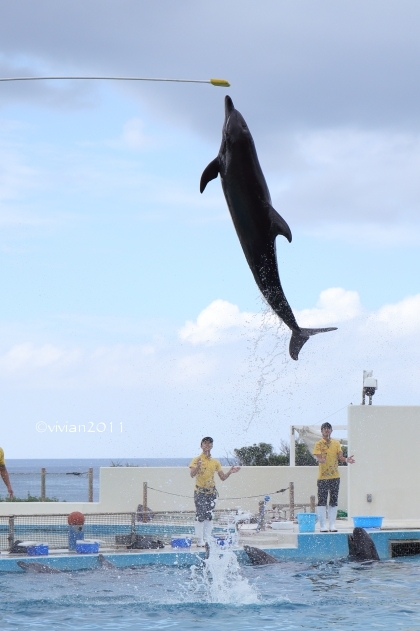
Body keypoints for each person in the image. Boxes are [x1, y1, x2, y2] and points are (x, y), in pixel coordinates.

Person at [189, 437, 240, 546]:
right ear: (201, 445)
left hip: (211, 493)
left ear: (212, 446)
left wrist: (230, 472)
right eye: (205, 443)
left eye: (209, 444)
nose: (207, 445)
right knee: (200, 515)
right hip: (200, 491)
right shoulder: (196, 459)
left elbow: (222, 477)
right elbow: (192, 474)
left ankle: (207, 539)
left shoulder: (215, 462)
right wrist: (198, 466)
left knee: (209, 515)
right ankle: (199, 541)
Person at [313, 422, 354, 532]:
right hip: (322, 477)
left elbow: (340, 457)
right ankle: (322, 526)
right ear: (321, 431)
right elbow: (318, 456)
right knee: (322, 500)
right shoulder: (318, 444)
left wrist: (346, 460)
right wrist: (320, 459)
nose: (326, 430)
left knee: (334, 500)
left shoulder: (336, 443)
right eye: (324, 428)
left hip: (335, 476)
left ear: (331, 431)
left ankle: (332, 525)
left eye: (328, 428)